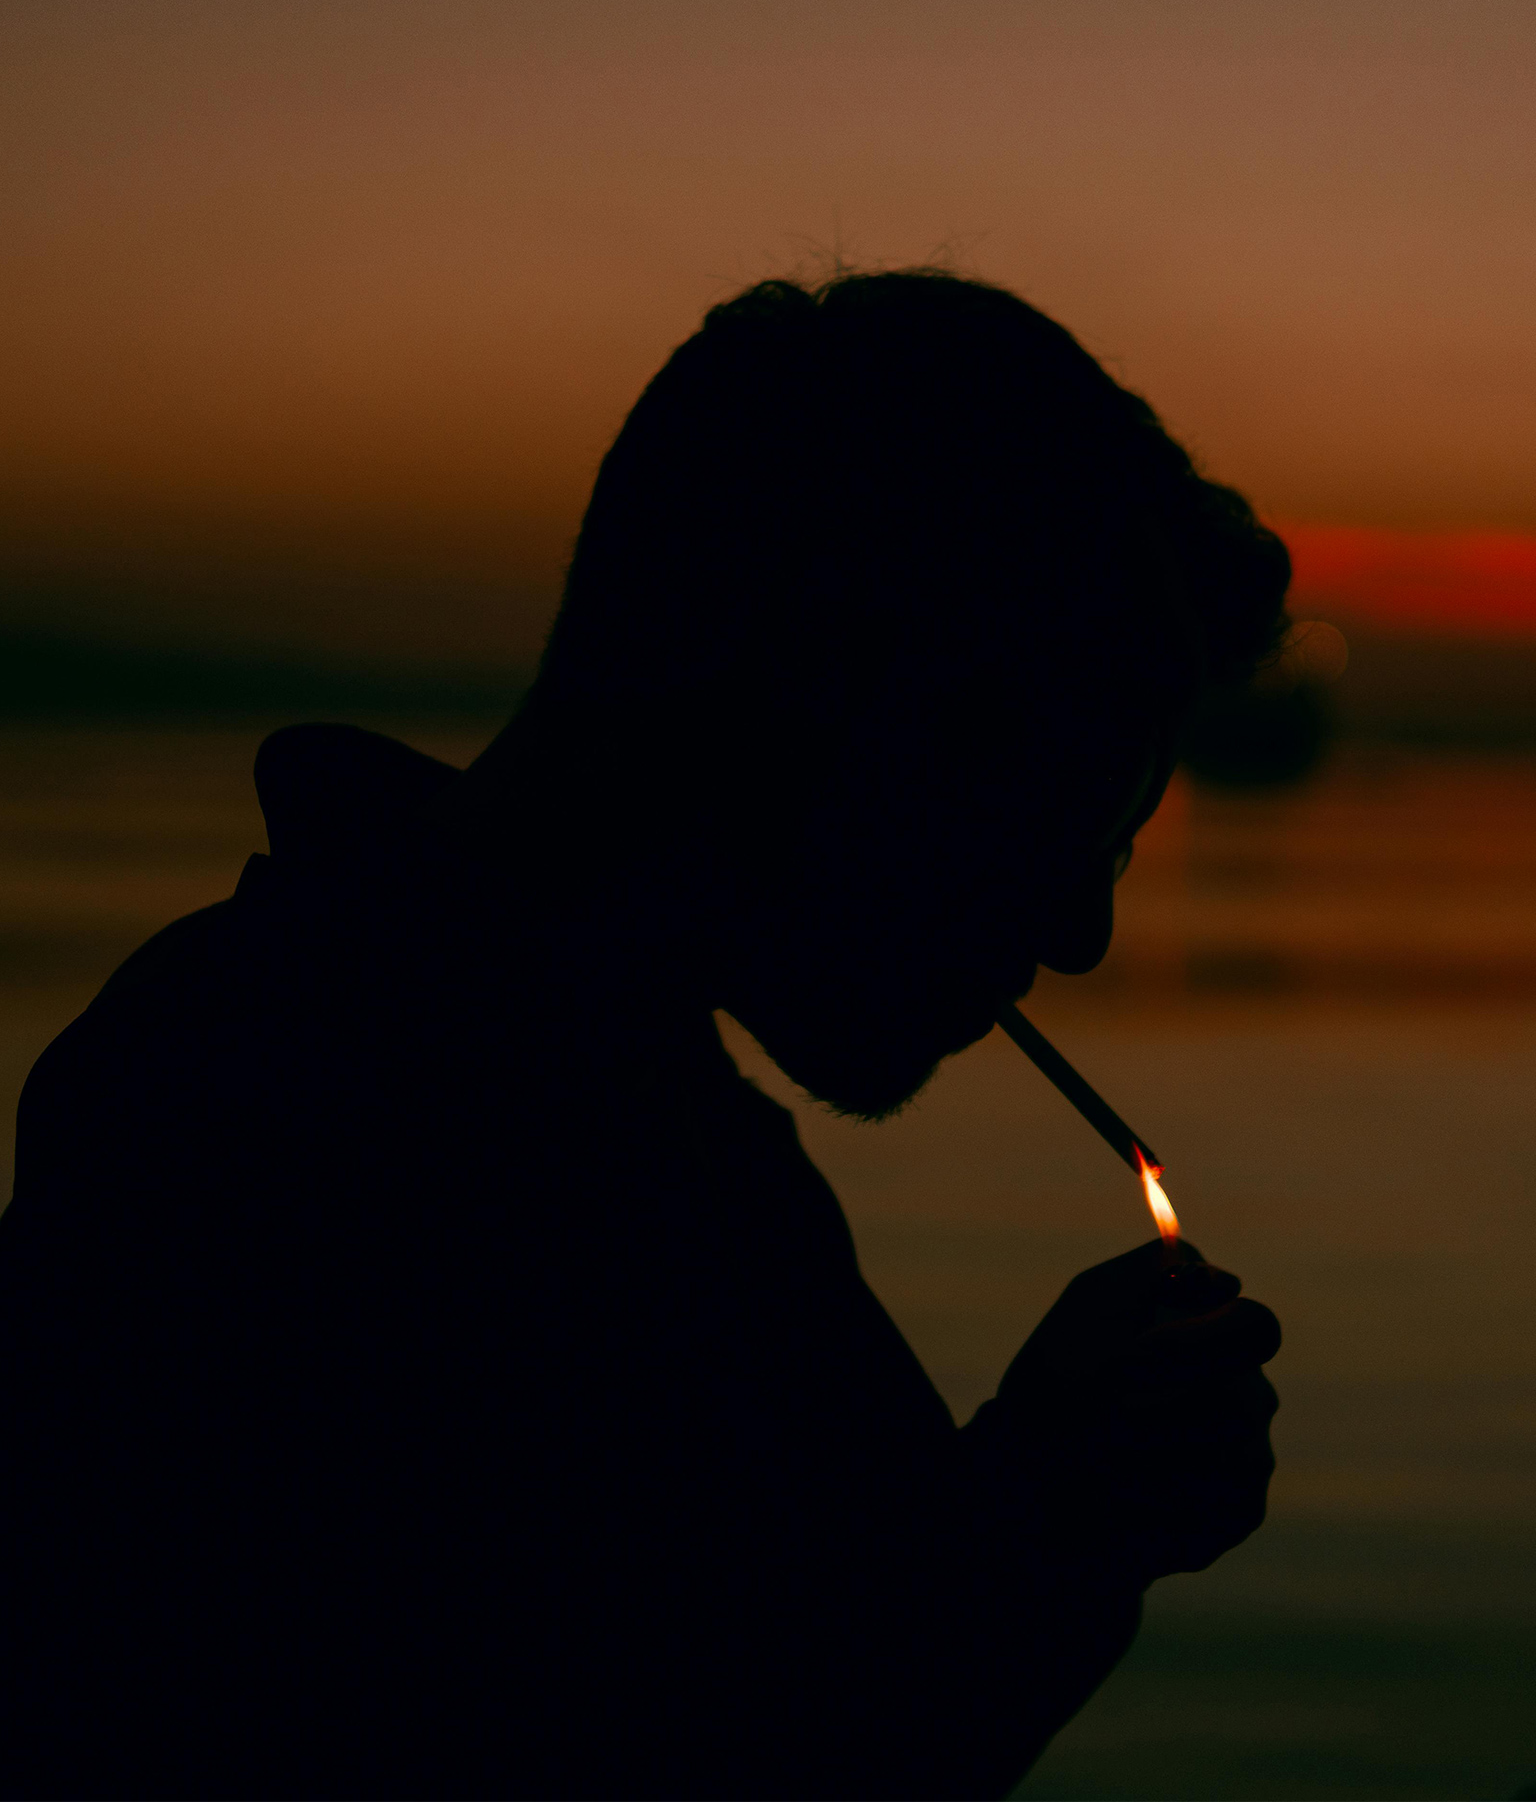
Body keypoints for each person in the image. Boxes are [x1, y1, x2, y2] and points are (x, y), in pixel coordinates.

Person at [0, 271, 1286, 1800]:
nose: (1079, 936)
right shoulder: (265, 1128)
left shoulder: (678, 1143)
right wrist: (1041, 1521)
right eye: (1063, 822)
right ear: (818, 686)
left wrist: (1053, 1519)